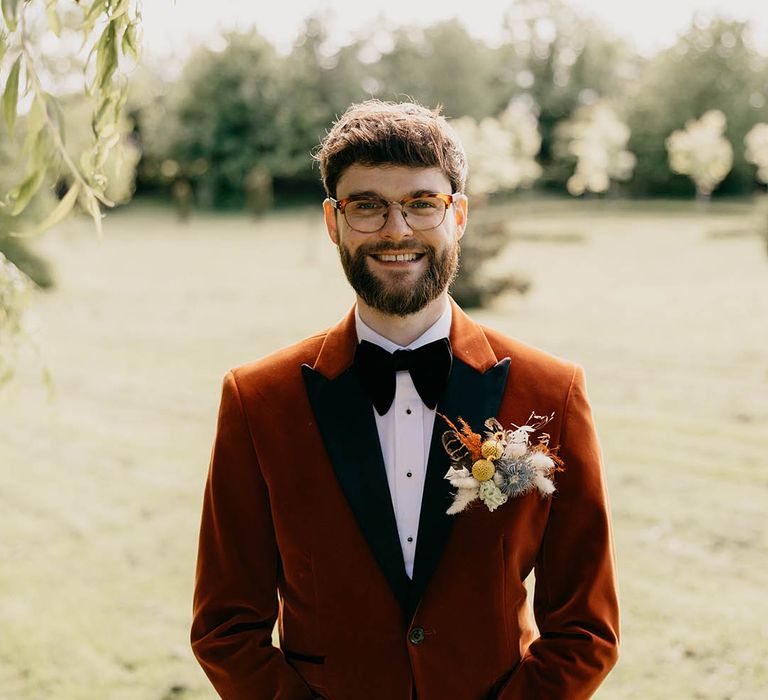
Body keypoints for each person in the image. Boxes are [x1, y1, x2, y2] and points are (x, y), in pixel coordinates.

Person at [191, 100, 619, 700]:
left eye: (423, 203)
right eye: (367, 205)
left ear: (459, 216)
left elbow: (586, 629)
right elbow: (225, 628)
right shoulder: (257, 401)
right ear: (332, 221)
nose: (397, 230)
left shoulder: (552, 392)